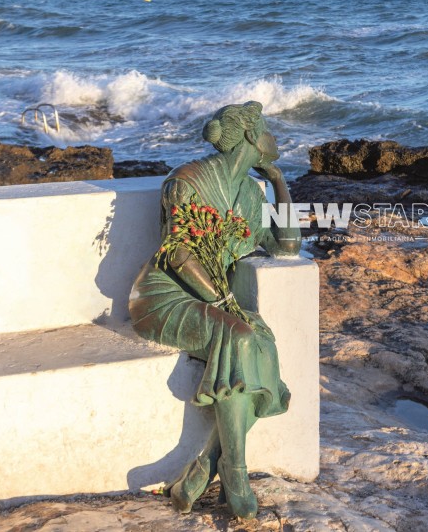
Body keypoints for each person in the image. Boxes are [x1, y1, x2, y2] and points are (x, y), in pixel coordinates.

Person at [129, 101, 301, 519]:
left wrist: (279, 182)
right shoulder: (186, 180)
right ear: (248, 135)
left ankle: (206, 465)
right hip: (164, 296)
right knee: (242, 337)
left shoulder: (248, 191)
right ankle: (235, 472)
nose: (271, 138)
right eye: (265, 128)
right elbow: (177, 255)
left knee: (260, 341)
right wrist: (224, 303)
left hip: (213, 297)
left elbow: (287, 245)